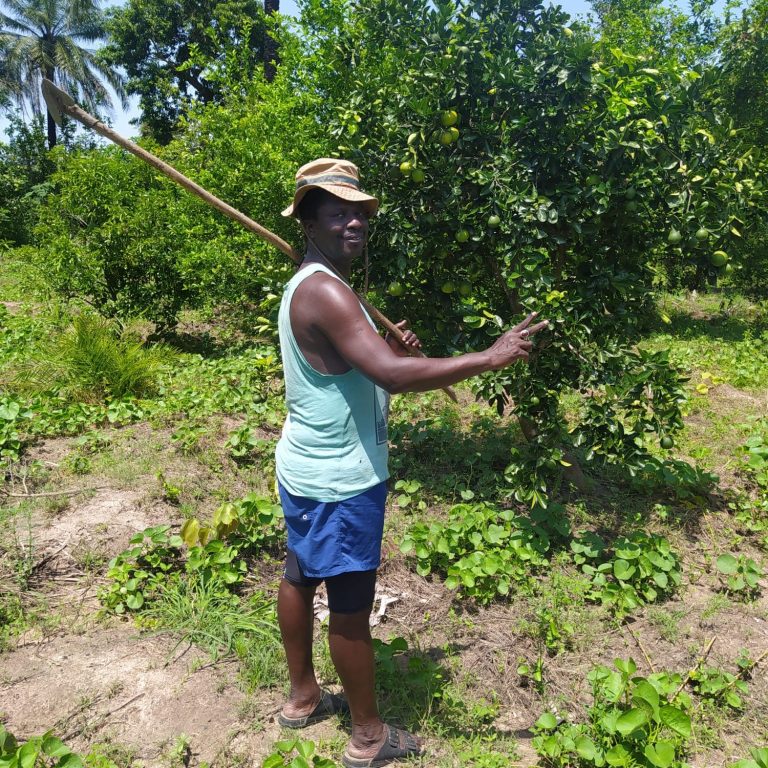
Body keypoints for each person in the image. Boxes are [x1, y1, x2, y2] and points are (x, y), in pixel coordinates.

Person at [274, 158, 548, 768]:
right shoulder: (325, 290)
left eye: (359, 213)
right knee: (348, 605)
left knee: (299, 573)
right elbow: (394, 377)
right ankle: (368, 737)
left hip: (305, 464)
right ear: (310, 222)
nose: (353, 223)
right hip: (340, 479)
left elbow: (367, 362)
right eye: (337, 213)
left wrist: (384, 345)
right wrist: (489, 356)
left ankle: (301, 698)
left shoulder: (316, 282)